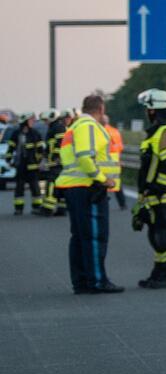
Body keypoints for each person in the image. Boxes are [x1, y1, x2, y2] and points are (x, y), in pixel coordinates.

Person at [54, 94, 120, 294]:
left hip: (77, 187)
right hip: (88, 187)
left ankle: (81, 282)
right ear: (101, 109)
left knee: (80, 237)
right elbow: (85, 156)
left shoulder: (74, 126)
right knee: (94, 237)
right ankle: (98, 281)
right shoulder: (88, 126)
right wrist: (101, 178)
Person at [134, 89, 166, 288]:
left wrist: (157, 188)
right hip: (153, 193)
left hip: (163, 193)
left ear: (154, 110)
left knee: (164, 232)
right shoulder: (157, 130)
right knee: (155, 233)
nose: (147, 112)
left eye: (148, 108)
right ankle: (159, 272)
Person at [7, 110, 41, 215]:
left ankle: (36, 208)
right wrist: (9, 160)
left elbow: (40, 149)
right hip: (21, 166)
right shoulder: (16, 133)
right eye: (31, 120)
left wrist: (39, 161)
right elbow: (11, 148)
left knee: (35, 188)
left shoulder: (35, 133)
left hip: (33, 166)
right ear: (25, 121)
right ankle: (18, 208)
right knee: (19, 188)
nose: (33, 121)